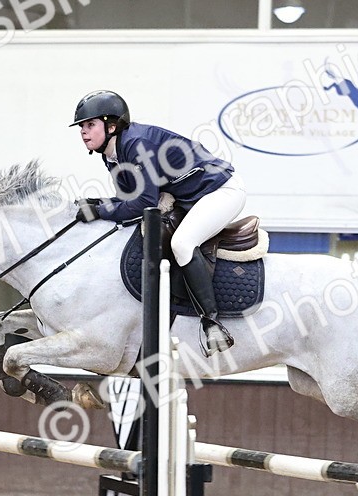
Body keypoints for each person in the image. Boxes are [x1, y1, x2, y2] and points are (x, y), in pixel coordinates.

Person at [71, 90, 244, 356]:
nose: (84, 132)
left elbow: (144, 203)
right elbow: (126, 198)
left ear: (112, 125)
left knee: (183, 243)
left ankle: (212, 323)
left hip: (220, 191)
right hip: (191, 196)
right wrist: (97, 203)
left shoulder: (136, 145)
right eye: (82, 126)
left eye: (90, 124)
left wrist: (99, 211)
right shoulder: (111, 153)